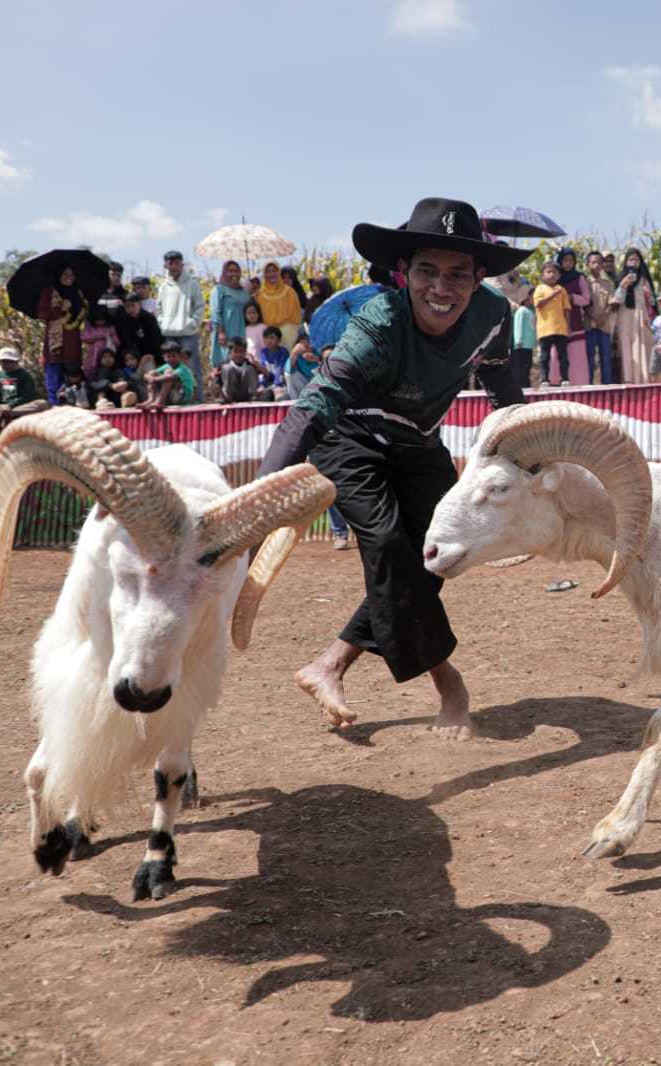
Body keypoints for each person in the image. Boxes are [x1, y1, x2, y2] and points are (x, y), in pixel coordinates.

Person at [254, 196, 531, 738]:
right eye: (427, 270)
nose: (441, 288)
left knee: (437, 554)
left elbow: (504, 390)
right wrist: (262, 498)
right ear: (403, 273)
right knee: (385, 544)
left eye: (458, 274)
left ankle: (329, 665)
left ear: (479, 278)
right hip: (350, 436)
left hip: (421, 444)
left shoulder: (494, 315)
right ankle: (448, 682)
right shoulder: (378, 321)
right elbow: (312, 408)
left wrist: (531, 459)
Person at [37, 265, 85, 403]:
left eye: (71, 275)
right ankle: (55, 409)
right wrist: (59, 308)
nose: (68, 277)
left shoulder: (78, 293)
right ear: (58, 275)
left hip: (72, 343)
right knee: (53, 381)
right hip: (54, 346)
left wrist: (73, 307)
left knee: (74, 381)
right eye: (65, 274)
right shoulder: (49, 292)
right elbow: (41, 313)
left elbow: (84, 313)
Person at [156, 251, 205, 381]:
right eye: (170, 263)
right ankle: (175, 399)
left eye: (177, 263)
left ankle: (197, 399)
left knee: (192, 367)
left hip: (188, 333)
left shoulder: (192, 284)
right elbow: (158, 308)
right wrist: (162, 323)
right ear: (165, 265)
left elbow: (200, 306)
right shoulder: (163, 286)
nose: (174, 266)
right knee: (170, 369)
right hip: (169, 333)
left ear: (182, 264)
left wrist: (193, 323)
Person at [609, 247, 656, 384]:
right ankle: (628, 378)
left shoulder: (644, 278)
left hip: (641, 314)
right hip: (624, 315)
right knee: (626, 345)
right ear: (626, 262)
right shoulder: (621, 277)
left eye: (636, 260)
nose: (634, 263)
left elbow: (652, 301)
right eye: (631, 260)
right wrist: (623, 286)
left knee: (640, 345)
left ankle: (642, 378)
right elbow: (617, 301)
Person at [254, 262, 303, 370]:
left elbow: (295, 316)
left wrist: (284, 328)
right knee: (269, 364)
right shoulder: (260, 295)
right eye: (268, 271)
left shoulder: (289, 291)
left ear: (278, 273)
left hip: (287, 332)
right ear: (264, 274)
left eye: (274, 271)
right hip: (267, 333)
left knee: (288, 363)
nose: (271, 274)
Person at [553, 248, 592, 384]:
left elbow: (587, 299)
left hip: (575, 322)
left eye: (571, 261)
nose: (568, 264)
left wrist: (572, 297)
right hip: (556, 323)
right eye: (565, 260)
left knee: (576, 357)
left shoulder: (579, 277)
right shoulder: (554, 278)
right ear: (560, 261)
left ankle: (579, 385)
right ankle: (556, 384)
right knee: (556, 356)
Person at [532, 261, 573, 385]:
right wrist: (553, 294)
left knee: (563, 356)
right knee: (545, 357)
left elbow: (566, 309)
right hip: (545, 329)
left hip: (560, 328)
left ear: (559, 275)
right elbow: (538, 304)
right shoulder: (539, 289)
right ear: (543, 276)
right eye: (548, 272)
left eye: (555, 272)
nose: (552, 274)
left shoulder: (562, 290)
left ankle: (565, 378)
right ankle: (544, 379)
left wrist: (568, 325)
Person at [209, 260, 252, 368]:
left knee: (241, 362)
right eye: (230, 271)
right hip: (226, 331)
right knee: (225, 363)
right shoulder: (219, 289)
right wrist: (221, 332)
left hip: (242, 331)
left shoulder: (244, 291)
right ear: (224, 272)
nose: (234, 274)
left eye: (237, 271)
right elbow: (215, 312)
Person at [583, 251, 618, 385]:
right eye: (593, 262)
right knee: (590, 357)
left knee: (605, 357)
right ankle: (589, 384)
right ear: (588, 265)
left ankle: (607, 385)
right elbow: (585, 304)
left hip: (604, 325)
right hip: (589, 325)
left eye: (599, 262)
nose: (597, 265)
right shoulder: (585, 282)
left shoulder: (608, 284)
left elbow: (612, 303)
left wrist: (603, 317)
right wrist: (593, 318)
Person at [0, 348, 49, 414]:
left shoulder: (25, 375)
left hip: (20, 406)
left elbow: (28, 396)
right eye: (2, 361)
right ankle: (5, 412)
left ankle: (9, 413)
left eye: (8, 361)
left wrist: (10, 405)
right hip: (1, 407)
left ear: (16, 361)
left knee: (42, 403)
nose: (5, 364)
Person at [140, 340, 197, 409]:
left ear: (180, 356)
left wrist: (154, 379)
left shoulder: (182, 368)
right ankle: (150, 400)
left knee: (168, 374)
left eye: (174, 356)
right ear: (164, 357)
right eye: (168, 356)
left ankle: (160, 401)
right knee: (152, 374)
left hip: (182, 396)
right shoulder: (166, 365)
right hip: (172, 395)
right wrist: (149, 377)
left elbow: (170, 377)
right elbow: (147, 374)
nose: (171, 359)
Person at [114, 291, 162, 364]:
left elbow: (155, 340)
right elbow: (125, 339)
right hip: (132, 354)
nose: (130, 309)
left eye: (133, 305)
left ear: (139, 304)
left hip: (150, 354)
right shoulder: (124, 319)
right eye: (127, 306)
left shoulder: (149, 318)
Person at [215, 337, 267, 403]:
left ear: (245, 352)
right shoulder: (224, 365)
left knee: (249, 369)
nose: (239, 355)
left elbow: (266, 374)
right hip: (230, 394)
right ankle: (227, 398)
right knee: (228, 368)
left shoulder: (249, 363)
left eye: (241, 352)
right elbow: (218, 383)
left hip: (245, 394)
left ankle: (253, 396)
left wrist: (256, 364)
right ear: (230, 352)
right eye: (235, 352)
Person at [79, 305, 121, 378]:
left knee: (108, 366)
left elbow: (115, 338)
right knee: (93, 366)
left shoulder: (109, 327)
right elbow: (84, 337)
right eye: (98, 320)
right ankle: (93, 378)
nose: (100, 322)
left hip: (107, 351)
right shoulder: (90, 327)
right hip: (94, 352)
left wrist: (116, 342)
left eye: (102, 320)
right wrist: (96, 337)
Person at [510, 287, 536, 387]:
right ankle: (520, 385)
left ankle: (526, 384)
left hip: (528, 344)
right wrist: (519, 340)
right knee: (520, 366)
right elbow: (518, 326)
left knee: (527, 366)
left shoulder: (531, 311)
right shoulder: (521, 310)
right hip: (521, 344)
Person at [257, 326, 291, 398]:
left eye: (272, 338)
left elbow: (280, 370)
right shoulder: (263, 352)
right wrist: (256, 364)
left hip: (280, 384)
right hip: (268, 383)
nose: (269, 341)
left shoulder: (283, 352)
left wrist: (276, 385)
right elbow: (265, 373)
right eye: (266, 338)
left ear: (279, 340)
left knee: (280, 396)